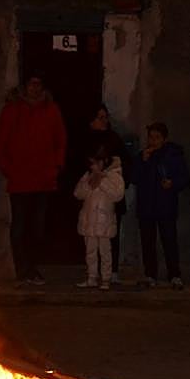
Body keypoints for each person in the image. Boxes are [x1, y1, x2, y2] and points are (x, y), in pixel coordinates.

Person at [0, 72, 66, 285]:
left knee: (37, 227)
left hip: (43, 179)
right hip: (20, 180)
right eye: (31, 84)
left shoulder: (51, 110)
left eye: (38, 84)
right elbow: (1, 142)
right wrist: (9, 169)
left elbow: (60, 139)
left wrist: (55, 166)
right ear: (25, 87)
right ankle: (21, 270)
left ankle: (32, 268)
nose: (34, 88)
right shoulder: (12, 110)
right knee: (19, 227)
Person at [129, 121, 190, 289]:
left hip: (165, 206)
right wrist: (143, 161)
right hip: (147, 206)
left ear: (164, 139)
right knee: (148, 242)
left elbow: (185, 178)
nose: (153, 141)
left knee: (169, 241)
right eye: (151, 137)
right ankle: (150, 275)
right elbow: (133, 178)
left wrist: (172, 183)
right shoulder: (143, 155)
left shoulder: (173, 155)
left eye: (157, 138)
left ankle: (174, 275)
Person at [79, 104, 128, 277]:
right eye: (100, 117)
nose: (104, 120)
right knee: (91, 240)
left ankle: (110, 272)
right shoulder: (84, 140)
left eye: (105, 116)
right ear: (91, 120)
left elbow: (123, 165)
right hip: (91, 199)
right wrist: (92, 175)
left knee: (110, 236)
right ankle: (92, 273)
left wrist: (109, 178)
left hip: (110, 198)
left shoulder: (114, 139)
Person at [73, 144, 125, 290]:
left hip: (104, 222)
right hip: (89, 220)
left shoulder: (114, 175)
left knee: (105, 252)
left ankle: (106, 278)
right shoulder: (88, 175)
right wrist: (89, 182)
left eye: (95, 163)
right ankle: (91, 277)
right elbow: (78, 193)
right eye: (91, 164)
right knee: (90, 251)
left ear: (103, 161)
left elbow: (118, 195)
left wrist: (102, 181)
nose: (93, 166)